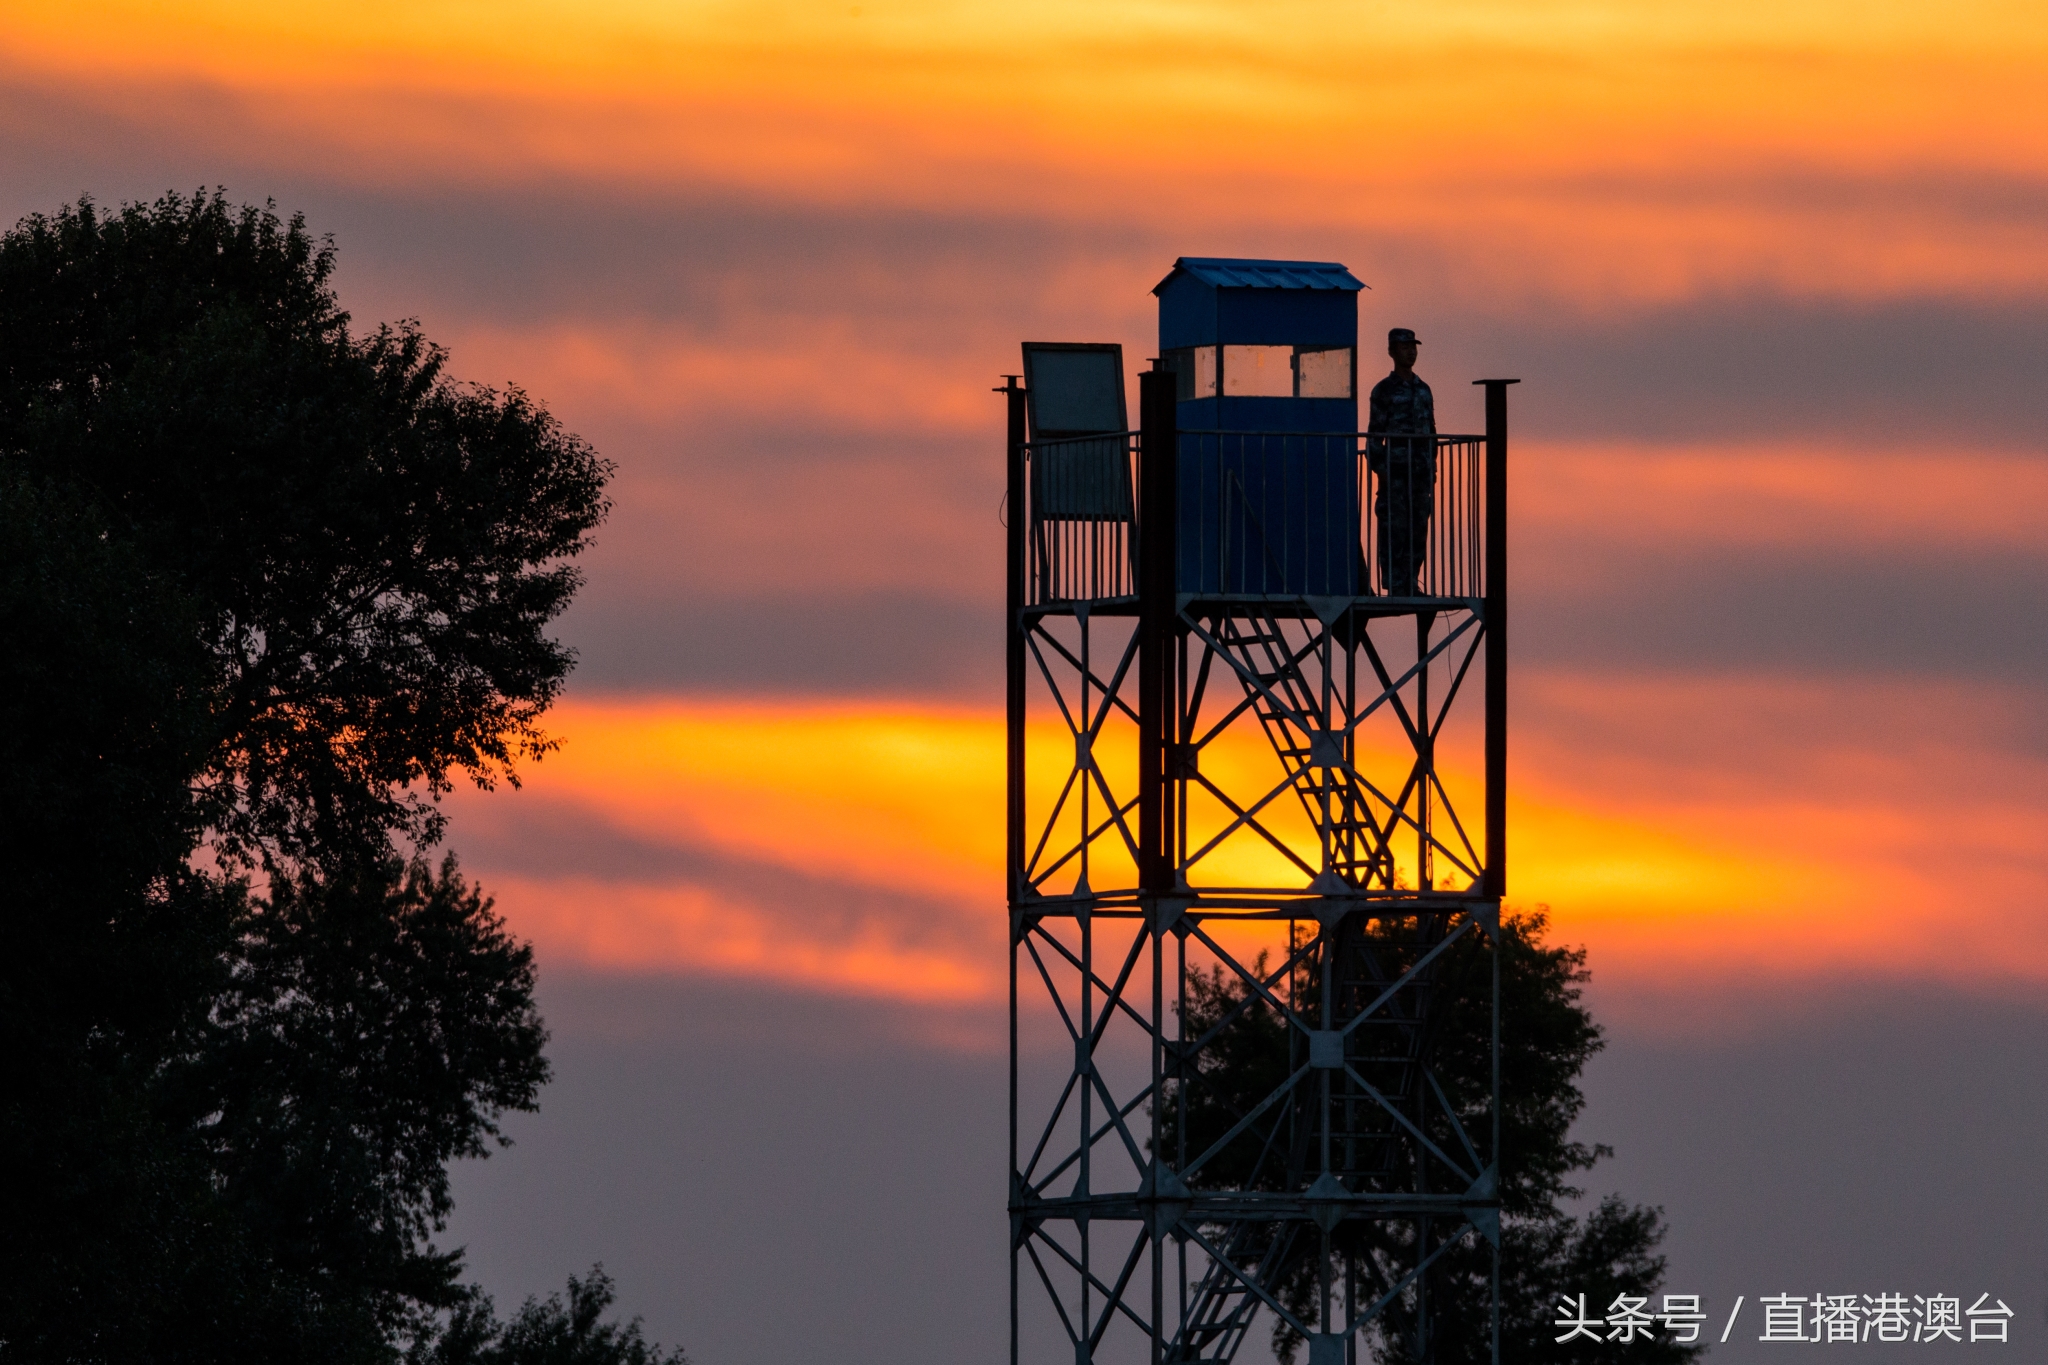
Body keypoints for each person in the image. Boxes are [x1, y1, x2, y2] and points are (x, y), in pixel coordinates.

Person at [1366, 327, 1436, 596]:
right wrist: (1382, 472)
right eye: (1405, 347)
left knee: (1418, 528)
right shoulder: (1384, 390)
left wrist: (1432, 468)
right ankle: (1395, 583)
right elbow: (1374, 436)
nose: (1411, 351)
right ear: (1392, 352)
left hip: (1419, 473)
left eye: (1413, 346)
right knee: (1394, 528)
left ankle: (1410, 582)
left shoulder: (1423, 389)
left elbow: (1431, 430)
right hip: (1395, 473)